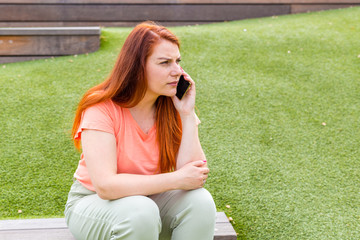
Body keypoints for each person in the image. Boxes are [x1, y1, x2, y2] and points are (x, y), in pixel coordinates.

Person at [64, 21, 216, 240]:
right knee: (140, 211)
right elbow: (106, 186)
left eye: (177, 62)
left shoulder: (172, 106)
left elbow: (193, 174)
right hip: (95, 203)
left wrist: (187, 115)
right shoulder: (101, 109)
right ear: (137, 67)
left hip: (150, 202)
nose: (177, 71)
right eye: (165, 63)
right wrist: (176, 179)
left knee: (200, 202)